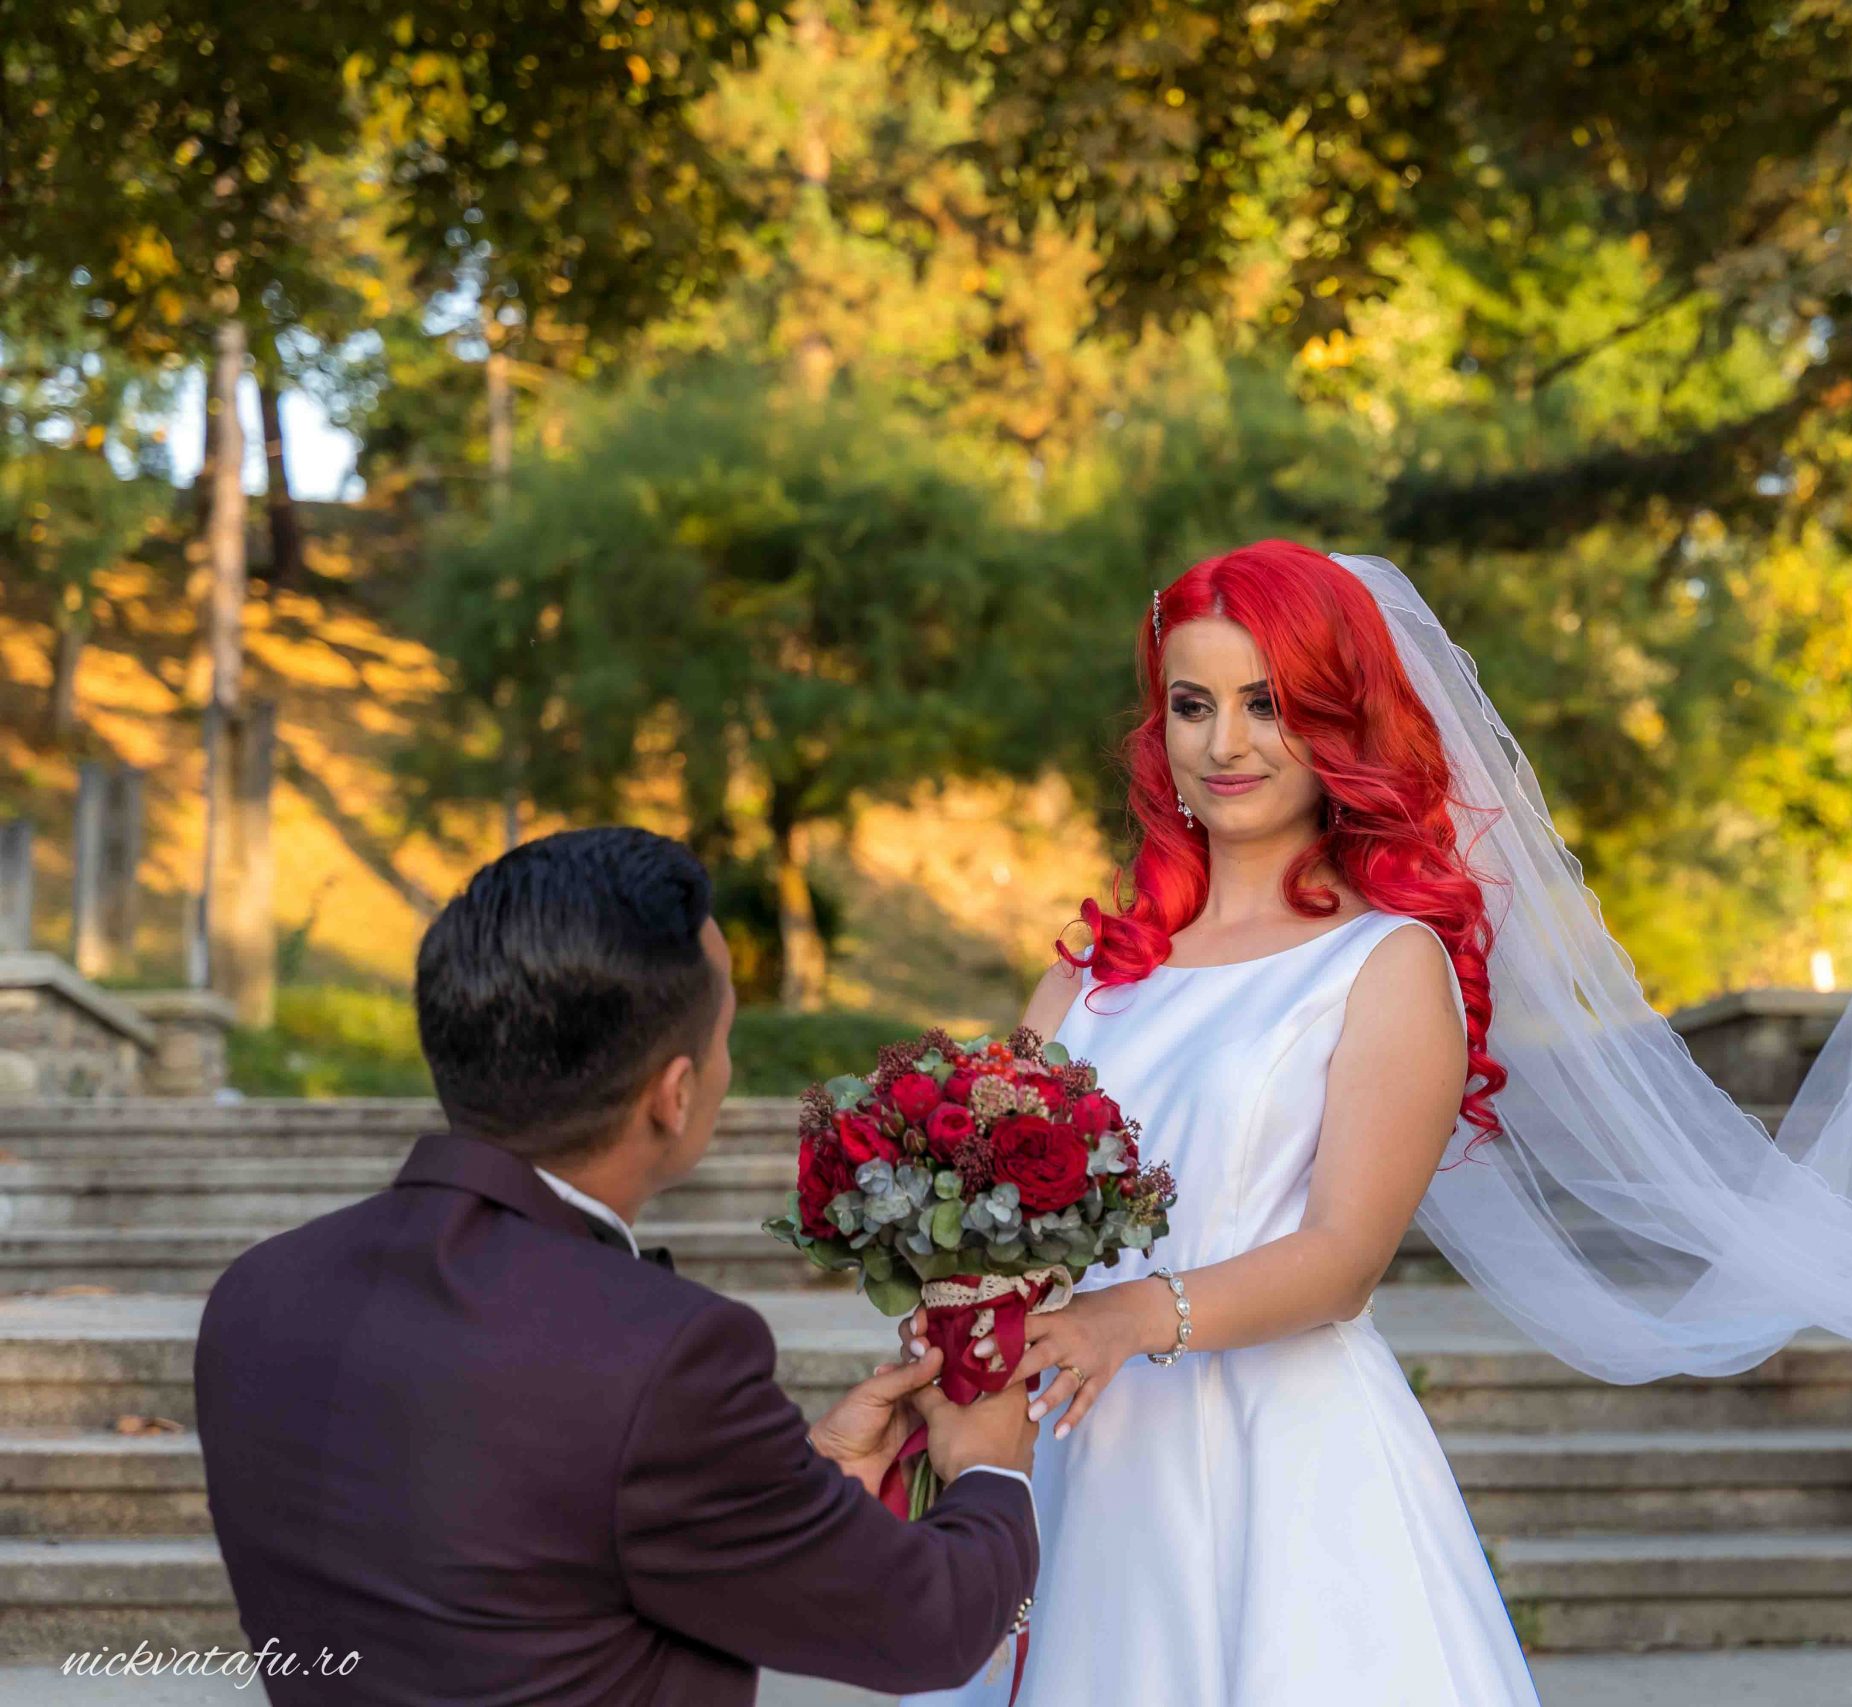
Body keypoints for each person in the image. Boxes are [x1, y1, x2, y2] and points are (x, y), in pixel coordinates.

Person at [196, 826, 1041, 1704]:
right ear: (675, 1094)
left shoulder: (259, 1293)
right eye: (723, 1034)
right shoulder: (661, 1356)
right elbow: (924, 1626)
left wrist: (803, 1482)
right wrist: (989, 1466)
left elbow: (521, 1549)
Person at [906, 542, 1539, 1705]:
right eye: (1192, 706)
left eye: (1269, 705)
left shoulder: (1386, 963)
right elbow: (992, 1213)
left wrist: (1129, 1318)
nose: (1225, 744)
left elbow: (1344, 1259)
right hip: (1078, 1437)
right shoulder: (1095, 973)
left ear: (1339, 723)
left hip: (1277, 1448)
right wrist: (964, 1314)